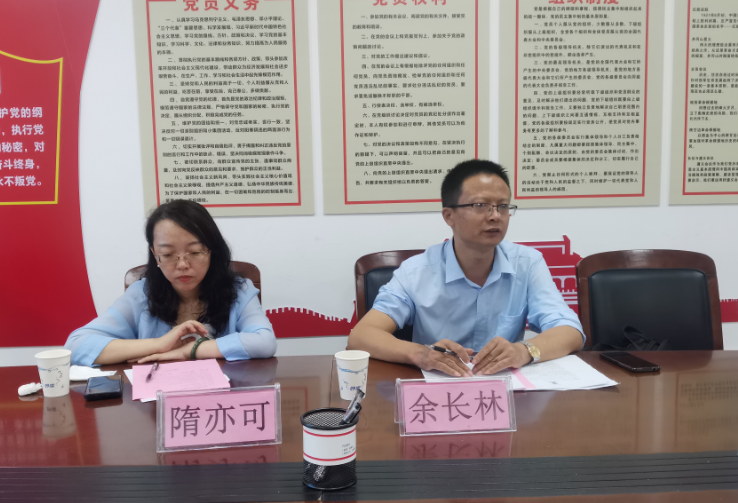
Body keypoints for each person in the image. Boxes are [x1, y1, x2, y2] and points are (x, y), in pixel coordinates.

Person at [347, 160, 584, 377]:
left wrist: (524, 351)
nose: (495, 216)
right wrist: (422, 354)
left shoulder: (527, 263)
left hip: (504, 390)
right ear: (449, 216)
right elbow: (361, 336)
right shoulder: (416, 272)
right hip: (439, 389)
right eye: (481, 205)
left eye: (503, 206)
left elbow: (570, 331)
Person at [65, 200, 276, 366]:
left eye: (195, 252)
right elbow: (75, 346)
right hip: (156, 400)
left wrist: (190, 350)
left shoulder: (239, 291)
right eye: (167, 254)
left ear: (212, 251)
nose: (182, 265)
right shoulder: (141, 295)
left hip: (223, 402)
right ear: (155, 254)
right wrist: (160, 344)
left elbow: (264, 342)